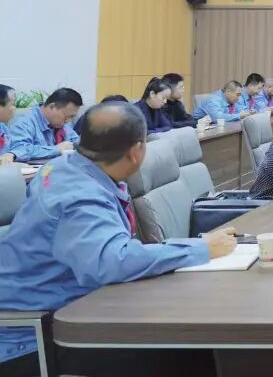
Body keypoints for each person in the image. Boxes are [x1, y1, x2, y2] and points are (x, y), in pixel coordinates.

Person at [0, 103, 235, 377]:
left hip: (76, 308)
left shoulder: (63, 167)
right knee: (192, 351)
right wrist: (200, 249)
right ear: (136, 151)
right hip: (35, 341)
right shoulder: (80, 198)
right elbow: (112, 261)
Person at [7, 88, 83, 162]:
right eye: (66, 116)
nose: (68, 121)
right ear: (52, 107)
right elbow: (18, 149)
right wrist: (57, 149)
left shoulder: (61, 123)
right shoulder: (24, 122)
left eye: (71, 117)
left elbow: (76, 141)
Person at [0, 85, 16, 165]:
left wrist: (12, 154)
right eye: (12, 104)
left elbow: (17, 146)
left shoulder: (3, 127)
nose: (14, 108)